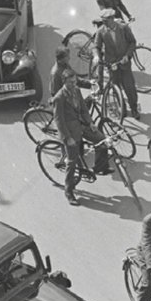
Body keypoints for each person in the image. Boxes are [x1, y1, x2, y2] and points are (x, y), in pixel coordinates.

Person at [53, 67, 110, 205]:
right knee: (72, 162)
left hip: (82, 126)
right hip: (70, 132)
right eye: (71, 82)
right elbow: (59, 121)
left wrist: (91, 123)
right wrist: (68, 138)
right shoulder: (59, 98)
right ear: (64, 82)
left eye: (75, 81)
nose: (74, 84)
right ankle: (69, 191)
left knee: (102, 140)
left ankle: (99, 167)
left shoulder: (77, 91)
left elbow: (84, 109)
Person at [92, 8, 140, 119]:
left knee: (130, 88)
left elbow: (132, 42)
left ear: (112, 19)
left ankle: (134, 108)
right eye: (103, 21)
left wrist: (127, 56)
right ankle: (121, 108)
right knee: (116, 87)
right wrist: (96, 55)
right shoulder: (101, 31)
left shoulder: (123, 28)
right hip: (112, 64)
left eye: (106, 20)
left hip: (124, 63)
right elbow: (96, 46)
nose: (104, 23)